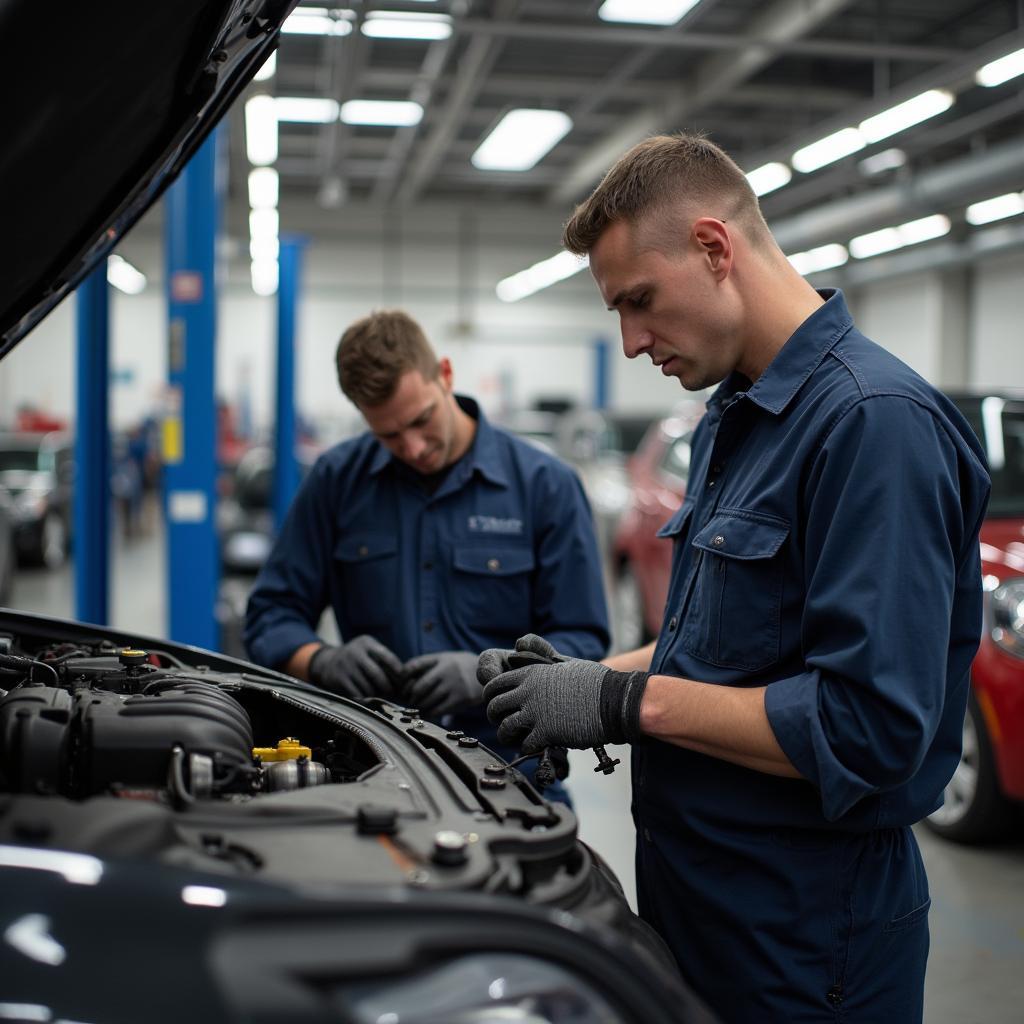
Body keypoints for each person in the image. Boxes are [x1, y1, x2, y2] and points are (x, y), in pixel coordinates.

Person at [477, 134, 991, 1021]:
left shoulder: (874, 426)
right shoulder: (733, 419)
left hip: (803, 937)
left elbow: (867, 728)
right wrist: (579, 681)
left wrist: (619, 706)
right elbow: (715, 648)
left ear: (715, 248)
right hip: (701, 910)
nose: (632, 342)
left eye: (639, 301)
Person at [244, 309, 609, 794]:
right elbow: (271, 615)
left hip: (511, 771)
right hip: (375, 764)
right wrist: (320, 659)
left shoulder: (545, 486)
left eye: (421, 420)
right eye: (389, 435)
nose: (413, 447)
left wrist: (493, 672)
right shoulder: (336, 480)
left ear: (446, 376)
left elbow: (583, 639)